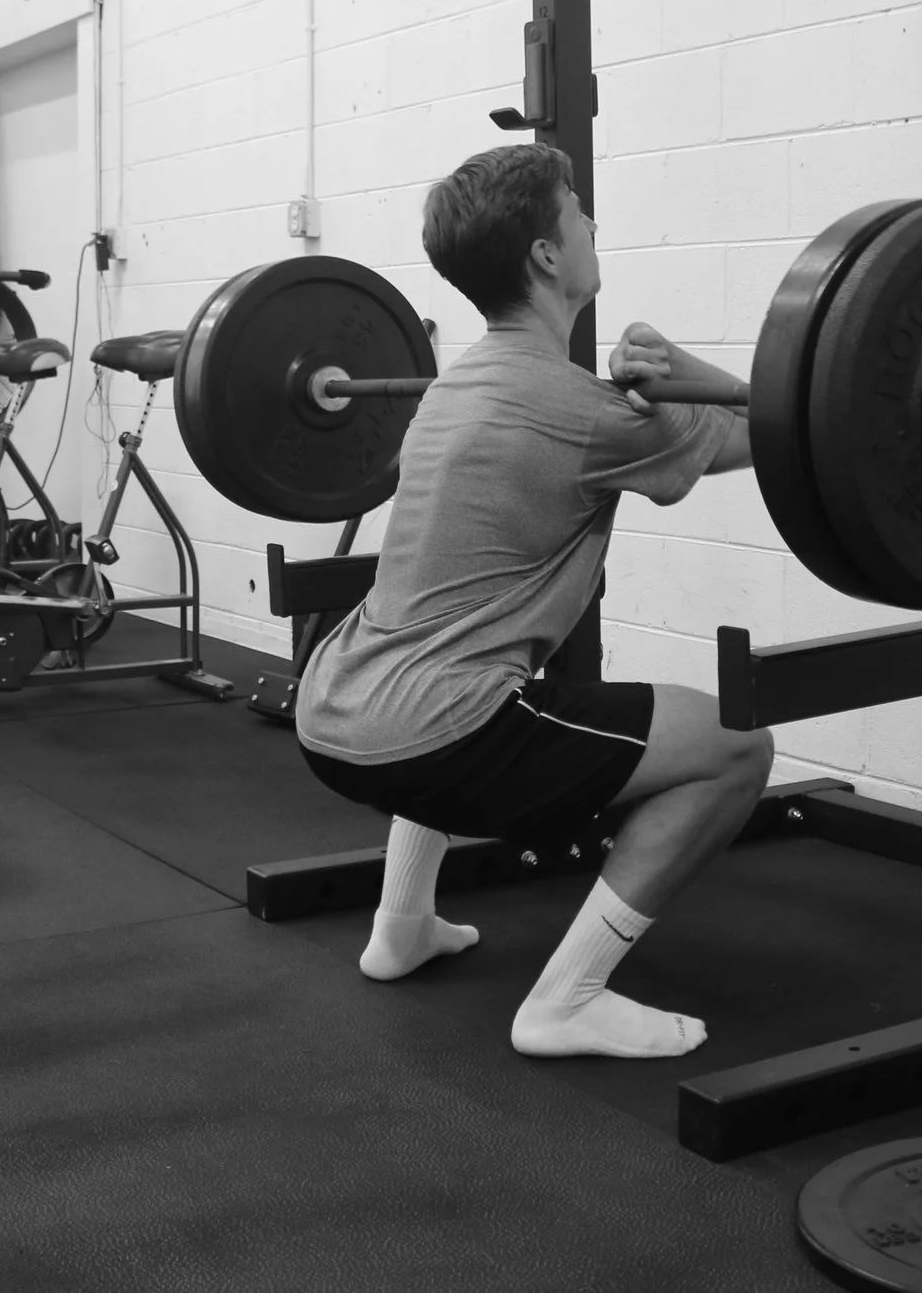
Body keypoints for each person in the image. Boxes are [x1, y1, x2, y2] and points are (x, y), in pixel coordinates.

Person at [294, 142, 775, 1061]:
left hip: (334, 710)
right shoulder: (584, 410)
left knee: (461, 670)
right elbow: (772, 425)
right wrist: (679, 364)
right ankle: (568, 998)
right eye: (577, 207)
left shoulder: (454, 383)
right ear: (548, 255)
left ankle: (400, 926)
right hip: (442, 732)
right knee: (736, 746)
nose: (592, 222)